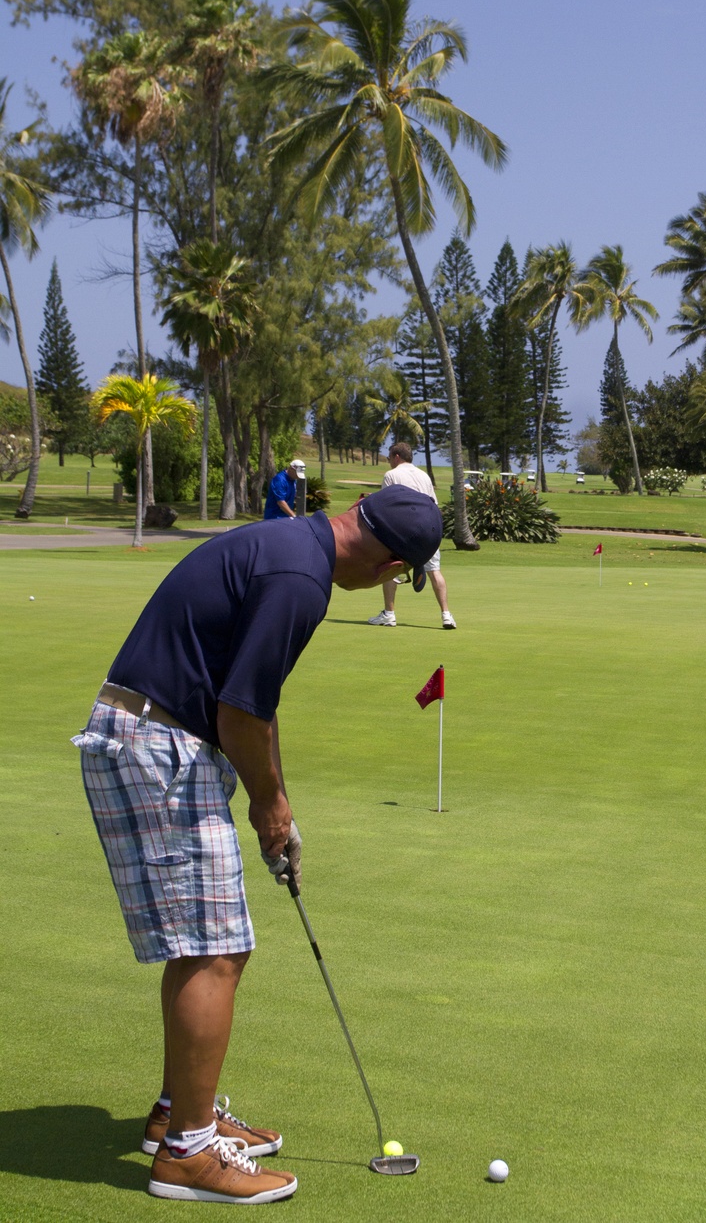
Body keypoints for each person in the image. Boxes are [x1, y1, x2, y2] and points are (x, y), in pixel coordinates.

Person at [72, 485, 441, 1205]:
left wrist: (279, 802)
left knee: (208, 942)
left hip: (159, 736)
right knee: (214, 947)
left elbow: (253, 704)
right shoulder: (302, 581)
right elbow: (239, 711)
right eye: (400, 573)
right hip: (157, 744)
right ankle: (187, 1154)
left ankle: (179, 1117)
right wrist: (269, 808)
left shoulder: (287, 542)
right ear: (390, 560)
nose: (390, 583)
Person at [367, 442, 456, 630]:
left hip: (403, 531)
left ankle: (389, 614)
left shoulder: (391, 475)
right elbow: (433, 505)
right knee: (435, 571)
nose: (389, 461)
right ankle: (447, 615)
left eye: (390, 457)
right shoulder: (424, 476)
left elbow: (387, 507)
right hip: (429, 531)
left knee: (389, 570)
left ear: (397, 457)